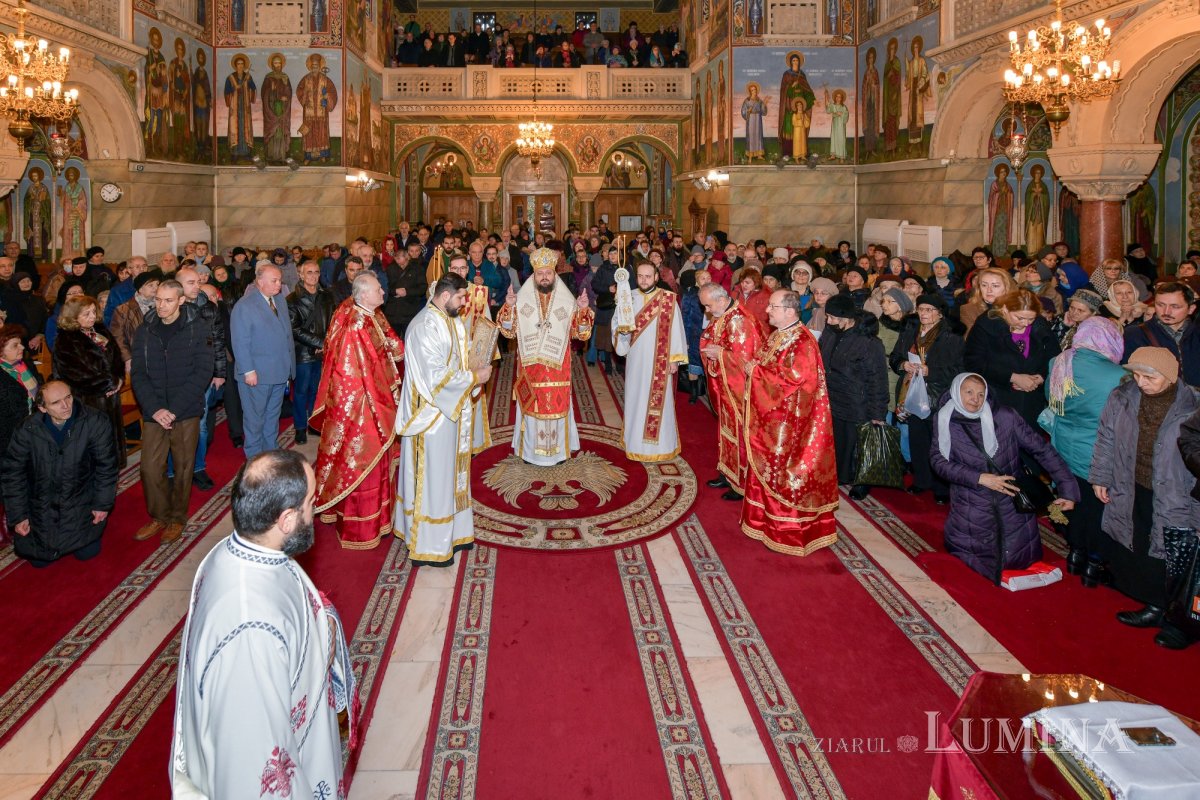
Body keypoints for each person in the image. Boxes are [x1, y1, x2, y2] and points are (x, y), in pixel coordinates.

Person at [171, 450, 355, 797]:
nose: (314, 510)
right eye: (310, 503)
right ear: (286, 519)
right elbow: (257, 763)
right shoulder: (250, 634)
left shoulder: (235, 553)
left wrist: (322, 623)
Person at [1087, 347, 1200, 647]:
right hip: (1133, 483)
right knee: (1141, 542)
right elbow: (1106, 437)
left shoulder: (1192, 405)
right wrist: (1100, 476)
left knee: (1176, 552)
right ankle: (1154, 603)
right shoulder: (1122, 397)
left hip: (1177, 491)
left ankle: (1176, 616)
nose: (1141, 382)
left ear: (1170, 376)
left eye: (1149, 377)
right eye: (1136, 375)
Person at [931, 373, 1078, 583]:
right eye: (969, 392)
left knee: (1017, 559)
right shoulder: (945, 420)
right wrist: (979, 478)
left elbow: (1042, 450)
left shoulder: (1006, 417)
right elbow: (938, 462)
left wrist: (1067, 488)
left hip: (1012, 503)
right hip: (971, 506)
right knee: (973, 568)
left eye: (981, 394)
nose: (975, 399)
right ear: (956, 392)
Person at [396, 273, 490, 566]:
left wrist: (475, 362)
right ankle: (430, 545)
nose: (464, 303)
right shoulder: (424, 327)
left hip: (448, 411)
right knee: (433, 480)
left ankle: (454, 533)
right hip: (430, 418)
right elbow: (435, 377)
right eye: (461, 298)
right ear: (446, 295)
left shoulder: (448, 319)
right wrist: (473, 378)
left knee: (450, 475)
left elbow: (457, 359)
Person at [741, 289, 838, 555]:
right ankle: (761, 523)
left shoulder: (803, 341)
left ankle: (788, 531)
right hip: (773, 420)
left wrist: (756, 372)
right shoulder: (779, 334)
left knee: (785, 474)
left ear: (789, 311)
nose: (767, 310)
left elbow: (793, 380)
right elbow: (765, 361)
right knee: (767, 470)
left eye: (772, 306)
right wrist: (756, 367)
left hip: (792, 424)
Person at [312, 273, 403, 549]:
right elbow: (363, 374)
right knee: (363, 463)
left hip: (370, 402)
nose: (383, 293)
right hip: (362, 409)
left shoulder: (369, 314)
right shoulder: (356, 326)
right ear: (364, 295)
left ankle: (380, 519)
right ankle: (359, 527)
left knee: (373, 463)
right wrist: (385, 405)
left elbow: (384, 351)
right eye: (378, 289)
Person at [1040, 317, 1128, 584]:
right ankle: (1093, 563)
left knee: (1072, 501)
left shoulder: (1059, 362)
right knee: (1097, 508)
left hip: (1064, 444)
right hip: (1098, 452)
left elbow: (1051, 399)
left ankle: (1075, 553)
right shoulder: (1118, 376)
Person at [130, 279, 215, 544]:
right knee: (149, 468)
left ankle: (177, 518)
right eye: (158, 300)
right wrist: (155, 409)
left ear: (181, 300)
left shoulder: (198, 328)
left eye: (168, 300)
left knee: (183, 467)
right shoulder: (145, 329)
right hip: (154, 411)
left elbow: (203, 372)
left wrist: (174, 410)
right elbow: (138, 374)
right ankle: (159, 515)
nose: (161, 306)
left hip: (185, 410)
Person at [1, 381, 118, 567]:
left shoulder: (95, 421)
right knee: (40, 563)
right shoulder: (27, 429)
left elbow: (107, 466)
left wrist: (101, 505)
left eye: (68, 397)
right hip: (41, 506)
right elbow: (13, 475)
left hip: (80, 501)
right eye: (56, 402)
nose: (66, 406)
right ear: (42, 408)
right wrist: (19, 516)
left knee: (87, 553)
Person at [496, 248, 594, 466]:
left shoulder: (566, 301)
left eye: (548, 273)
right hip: (531, 366)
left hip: (558, 366)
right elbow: (508, 332)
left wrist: (582, 311)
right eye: (540, 273)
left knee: (557, 406)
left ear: (554, 273)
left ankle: (558, 453)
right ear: (534, 274)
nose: (544, 277)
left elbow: (581, 334)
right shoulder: (521, 299)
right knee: (532, 406)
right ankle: (531, 454)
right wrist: (509, 307)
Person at [892, 293, 964, 502]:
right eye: (921, 309)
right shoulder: (910, 332)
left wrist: (929, 371)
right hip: (912, 393)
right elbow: (895, 357)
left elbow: (958, 370)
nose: (923, 314)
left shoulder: (951, 337)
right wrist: (903, 365)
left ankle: (942, 488)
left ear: (940, 314)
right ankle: (921, 480)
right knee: (918, 439)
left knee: (938, 441)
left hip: (937, 395)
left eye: (929, 310)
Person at [699, 282, 768, 499]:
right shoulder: (724, 314)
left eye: (708, 306)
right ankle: (728, 473)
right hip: (725, 387)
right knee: (727, 432)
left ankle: (741, 483)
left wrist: (720, 353)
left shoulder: (740, 321)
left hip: (739, 390)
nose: (707, 310)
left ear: (721, 300)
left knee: (740, 433)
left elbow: (745, 361)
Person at [615, 263, 688, 462]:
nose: (644, 280)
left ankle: (661, 445)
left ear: (656, 277)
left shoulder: (668, 299)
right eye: (640, 276)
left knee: (660, 402)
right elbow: (617, 324)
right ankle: (634, 442)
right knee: (635, 396)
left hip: (660, 361)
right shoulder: (628, 298)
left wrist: (674, 358)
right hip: (636, 359)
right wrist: (621, 333)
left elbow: (676, 328)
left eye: (648, 276)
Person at [820, 295, 889, 501]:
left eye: (833, 317)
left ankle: (862, 482)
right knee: (840, 443)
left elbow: (878, 379)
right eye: (827, 316)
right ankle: (842, 475)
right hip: (833, 398)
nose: (829, 321)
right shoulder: (830, 332)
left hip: (858, 402)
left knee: (859, 445)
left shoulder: (868, 342)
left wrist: (878, 412)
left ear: (847, 318)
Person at [964, 288, 1060, 428]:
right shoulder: (986, 325)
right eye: (1019, 318)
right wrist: (1013, 377)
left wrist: (1041, 377)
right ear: (1005, 309)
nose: (1026, 323)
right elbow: (973, 362)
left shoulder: (1040, 326)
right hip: (998, 398)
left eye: (1031, 319)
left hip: (1032, 401)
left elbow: (1055, 358)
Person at [52, 295, 127, 469]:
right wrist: (109, 383)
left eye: (94, 311)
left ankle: (111, 472)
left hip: (109, 397)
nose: (92, 316)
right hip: (85, 401)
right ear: (73, 316)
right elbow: (75, 374)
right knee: (92, 447)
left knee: (110, 440)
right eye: (86, 313)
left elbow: (117, 357)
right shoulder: (66, 339)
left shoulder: (100, 330)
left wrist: (119, 379)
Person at [231, 263, 295, 459]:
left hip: (279, 370)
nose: (279, 284)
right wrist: (248, 371)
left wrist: (289, 366)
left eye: (279, 280)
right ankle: (254, 458)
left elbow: (286, 334)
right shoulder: (245, 305)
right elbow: (240, 342)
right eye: (274, 281)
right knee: (255, 419)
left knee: (272, 416)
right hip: (256, 374)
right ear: (259, 282)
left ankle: (270, 453)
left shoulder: (279, 300)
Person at [176, 267, 228, 491]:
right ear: (178, 285)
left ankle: (198, 467)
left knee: (202, 425)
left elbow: (218, 340)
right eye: (191, 283)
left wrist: (219, 372)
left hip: (203, 375)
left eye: (198, 282)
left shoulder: (208, 307)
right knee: (177, 426)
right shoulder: (172, 307)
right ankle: (175, 470)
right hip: (178, 377)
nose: (197, 286)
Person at [288, 260, 335, 444]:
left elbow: (333, 320)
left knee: (317, 390)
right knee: (301, 391)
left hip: (323, 352)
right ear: (300, 275)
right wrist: (320, 342)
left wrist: (328, 342)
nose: (313, 276)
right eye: (309, 272)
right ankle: (300, 427)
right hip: (303, 353)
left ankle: (314, 423)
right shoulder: (292, 299)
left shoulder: (327, 296)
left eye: (316, 272)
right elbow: (294, 329)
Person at [1122, 282, 1200, 387]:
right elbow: (1128, 377)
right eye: (1160, 305)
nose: (1166, 312)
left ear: (1191, 309)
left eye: (1175, 306)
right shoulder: (1135, 334)